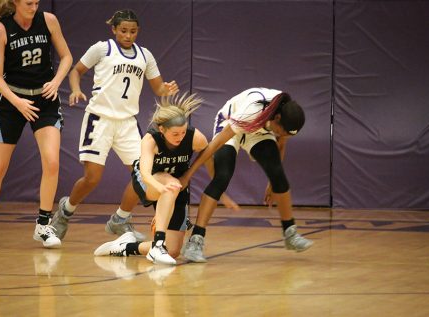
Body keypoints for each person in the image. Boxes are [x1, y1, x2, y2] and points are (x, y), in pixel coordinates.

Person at [51, 10, 179, 241]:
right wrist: (76, 89)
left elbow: (158, 89)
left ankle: (121, 218)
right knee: (92, 178)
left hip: (127, 122)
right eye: (123, 31)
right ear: (114, 29)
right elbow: (76, 71)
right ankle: (65, 211)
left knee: (141, 175)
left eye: (133, 31)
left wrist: (166, 90)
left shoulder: (145, 55)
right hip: (99, 118)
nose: (128, 35)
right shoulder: (102, 48)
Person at [0, 0, 72, 248]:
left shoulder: (48, 21)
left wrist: (56, 81)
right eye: (28, 3)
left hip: (45, 101)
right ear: (15, 2)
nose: (33, 7)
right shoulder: (2, 29)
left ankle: (43, 225)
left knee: (52, 162)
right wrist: (18, 102)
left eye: (36, 2)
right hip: (13, 101)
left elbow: (66, 57)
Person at [181, 87, 314, 262]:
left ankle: (290, 233)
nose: (282, 135)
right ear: (277, 119)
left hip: (259, 131)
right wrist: (188, 175)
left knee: (279, 177)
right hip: (231, 123)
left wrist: (272, 181)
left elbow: (281, 143)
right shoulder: (251, 110)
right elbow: (215, 144)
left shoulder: (286, 115)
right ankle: (195, 241)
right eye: (281, 131)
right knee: (222, 176)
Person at [94, 93, 208, 265]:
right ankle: (158, 245)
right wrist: (161, 189)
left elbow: (207, 152)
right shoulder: (150, 140)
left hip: (175, 186)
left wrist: (187, 175)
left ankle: (125, 247)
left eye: (183, 132)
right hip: (148, 182)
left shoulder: (195, 137)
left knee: (174, 251)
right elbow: (145, 173)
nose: (181, 137)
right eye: (175, 134)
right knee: (171, 184)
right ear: (162, 129)